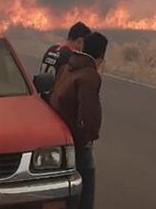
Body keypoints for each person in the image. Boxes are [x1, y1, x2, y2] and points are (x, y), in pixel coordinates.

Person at [50, 32, 108, 209]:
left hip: (61, 137)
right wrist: (86, 141)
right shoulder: (89, 75)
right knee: (86, 186)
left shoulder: (67, 68)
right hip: (78, 142)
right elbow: (89, 116)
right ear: (100, 58)